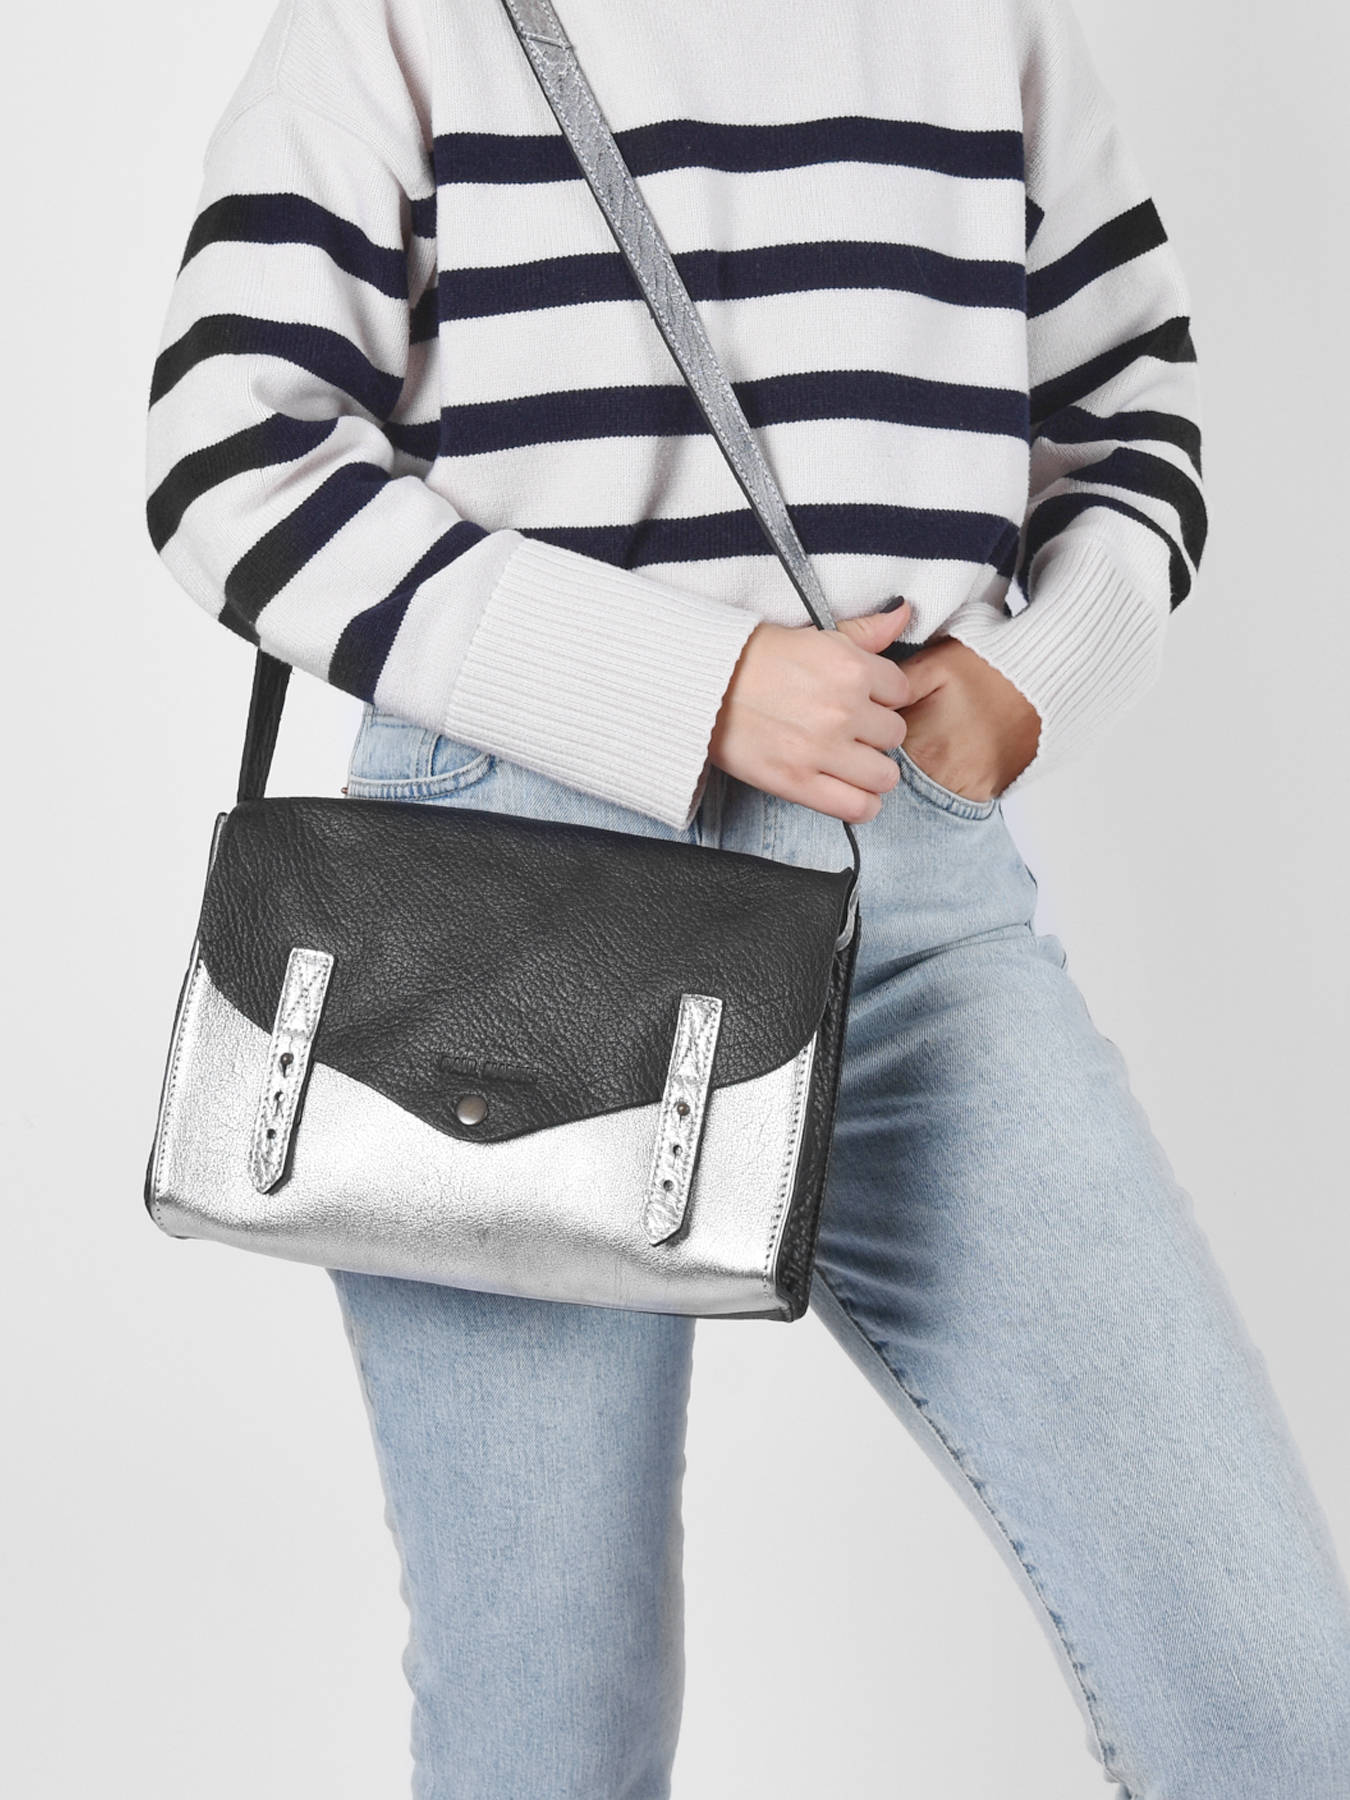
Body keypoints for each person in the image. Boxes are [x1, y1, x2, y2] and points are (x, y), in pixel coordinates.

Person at [142, 0, 1350, 1793]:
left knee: (1269, 1696)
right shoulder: (403, 16)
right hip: (507, 894)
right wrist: (685, 688)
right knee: (553, 1736)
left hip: (905, 889)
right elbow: (226, 460)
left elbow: (1130, 399)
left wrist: (1036, 676)